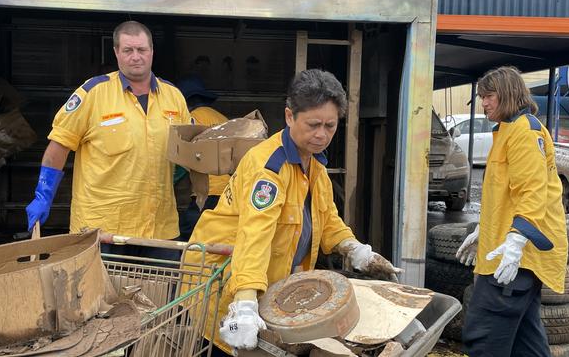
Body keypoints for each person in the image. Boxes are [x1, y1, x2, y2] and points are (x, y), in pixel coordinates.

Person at [184, 69, 400, 355]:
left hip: (269, 287)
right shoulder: (269, 168)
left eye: (330, 126)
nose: (321, 134)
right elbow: (254, 236)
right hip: (225, 283)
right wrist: (245, 302)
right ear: (289, 117)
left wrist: (357, 250)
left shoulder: (315, 167)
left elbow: (328, 219)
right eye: (313, 124)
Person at [25, 21, 190, 260]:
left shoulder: (174, 97)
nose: (136, 57)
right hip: (103, 231)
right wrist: (43, 195)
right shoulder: (93, 93)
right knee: (99, 297)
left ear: (152, 51)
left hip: (158, 230)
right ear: (116, 52)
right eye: (128, 50)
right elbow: (58, 147)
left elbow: (188, 152)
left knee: (158, 297)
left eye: (141, 50)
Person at [455, 66, 568, 357]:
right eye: (482, 97)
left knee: (484, 337)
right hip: (511, 251)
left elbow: (533, 192)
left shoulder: (525, 132)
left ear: (507, 94)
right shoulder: (507, 131)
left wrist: (516, 241)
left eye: (489, 96)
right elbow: (505, 193)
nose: (484, 103)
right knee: (525, 344)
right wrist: (485, 230)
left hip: (518, 255)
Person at [174, 75, 229, 240]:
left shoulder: (193, 118)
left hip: (205, 190)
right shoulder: (221, 119)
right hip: (227, 190)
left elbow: (185, 156)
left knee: (187, 237)